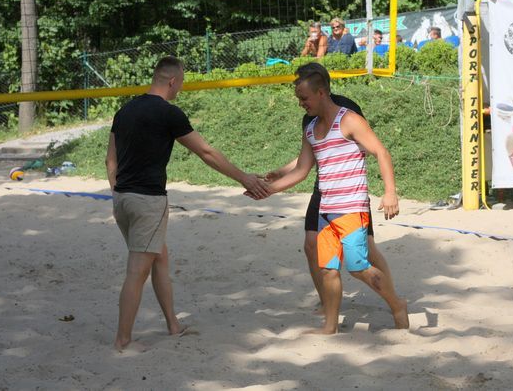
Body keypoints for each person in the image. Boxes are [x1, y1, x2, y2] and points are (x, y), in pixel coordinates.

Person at [106, 56, 269, 351]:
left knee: (160, 258)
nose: (181, 88)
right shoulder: (169, 113)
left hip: (122, 200)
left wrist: (118, 193)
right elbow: (206, 153)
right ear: (172, 81)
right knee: (136, 272)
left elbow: (110, 160)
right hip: (147, 202)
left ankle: (173, 324)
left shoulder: (125, 110)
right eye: (181, 82)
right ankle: (123, 340)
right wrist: (243, 177)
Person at [251, 62, 408, 335]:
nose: (300, 104)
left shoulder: (349, 119)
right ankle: (330, 326)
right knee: (328, 269)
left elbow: (381, 152)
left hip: (351, 208)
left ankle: (397, 304)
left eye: (304, 98)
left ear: (321, 92)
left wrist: (390, 192)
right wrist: (269, 189)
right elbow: (301, 170)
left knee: (358, 267)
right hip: (326, 209)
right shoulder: (310, 128)